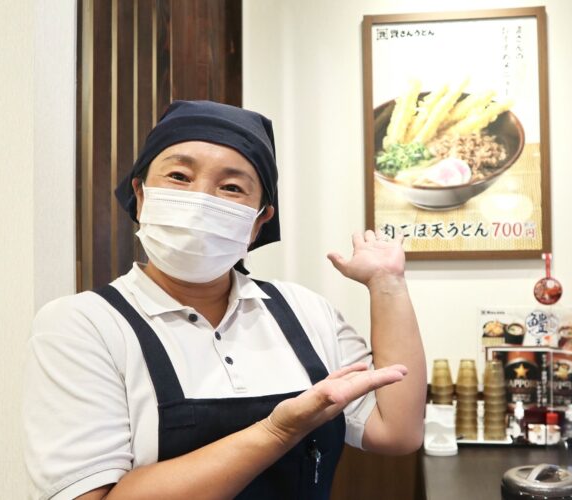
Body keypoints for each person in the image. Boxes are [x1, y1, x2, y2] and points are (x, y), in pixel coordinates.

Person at [23, 100, 426, 500]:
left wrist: (387, 284)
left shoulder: (306, 312)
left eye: (231, 187)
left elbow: (395, 431)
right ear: (140, 194)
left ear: (259, 222)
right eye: (179, 176)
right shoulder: (82, 325)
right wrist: (277, 431)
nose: (201, 200)